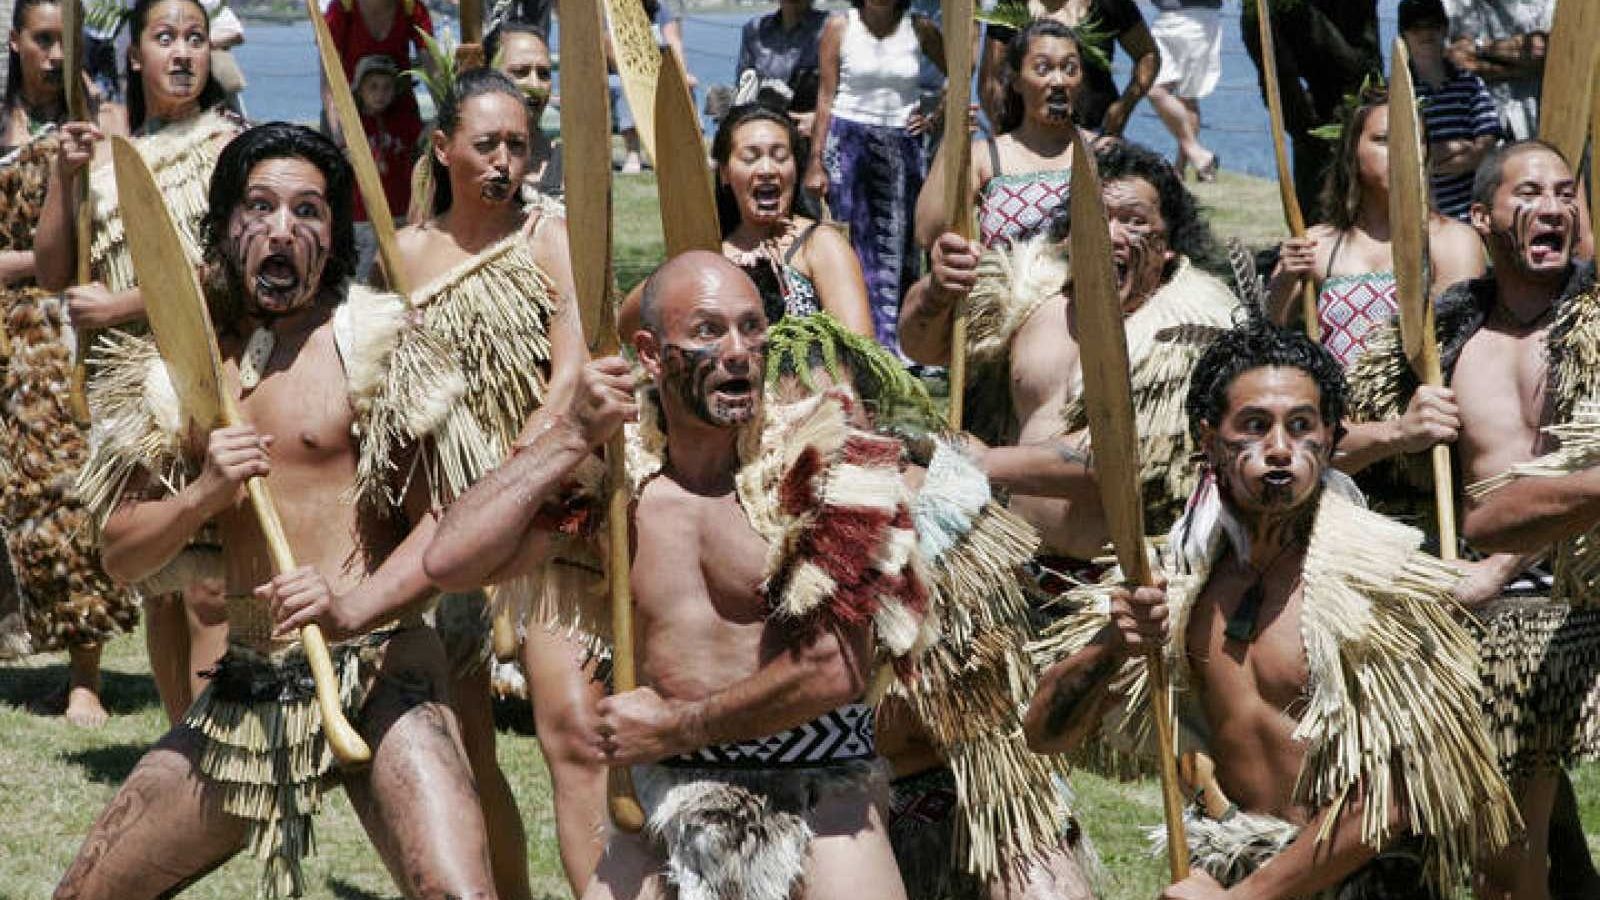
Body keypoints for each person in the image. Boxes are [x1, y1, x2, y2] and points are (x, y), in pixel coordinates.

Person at [57, 122, 500, 900]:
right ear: (225, 227)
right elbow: (120, 554)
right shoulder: (179, 373)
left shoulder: (379, 344)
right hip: (250, 684)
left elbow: (448, 529)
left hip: (383, 670)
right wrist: (202, 496)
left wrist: (352, 606)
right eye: (259, 207)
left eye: (308, 211)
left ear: (333, 237)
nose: (282, 230)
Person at [426, 251, 937, 900]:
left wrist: (676, 727)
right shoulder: (617, 479)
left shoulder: (824, 461)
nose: (738, 351)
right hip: (667, 794)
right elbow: (451, 564)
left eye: (752, 328)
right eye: (707, 331)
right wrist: (568, 437)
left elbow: (836, 669)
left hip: (821, 781)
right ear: (649, 354)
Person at [1024, 318, 1517, 898]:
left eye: (1301, 426)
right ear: (1209, 440)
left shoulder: (1379, 587)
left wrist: (1246, 898)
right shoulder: (1182, 584)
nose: (1279, 450)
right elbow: (1045, 734)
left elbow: (1395, 796)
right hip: (1237, 869)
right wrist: (1114, 642)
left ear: (1332, 438)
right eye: (1254, 426)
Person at [391, 66, 588, 900]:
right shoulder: (403, 254)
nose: (505, 161)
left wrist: (516, 477)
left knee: (566, 736)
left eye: (519, 144)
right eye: (487, 145)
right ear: (443, 149)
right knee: (468, 742)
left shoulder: (550, 236)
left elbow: (573, 371)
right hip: (439, 522)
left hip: (543, 511)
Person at [34, 0, 242, 726]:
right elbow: (57, 269)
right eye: (164, 38)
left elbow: (228, 270)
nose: (182, 53)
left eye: (194, 38)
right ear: (134, 56)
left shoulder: (228, 147)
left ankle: (220, 746)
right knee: (156, 577)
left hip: (202, 374)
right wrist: (66, 179)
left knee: (210, 577)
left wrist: (118, 307)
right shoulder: (108, 156)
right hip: (125, 392)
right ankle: (182, 738)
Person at [901, 141, 1238, 563]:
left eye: (1133, 222)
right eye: (1095, 217)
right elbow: (922, 347)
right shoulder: (1029, 299)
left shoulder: (1189, 334)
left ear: (1168, 243)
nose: (1108, 234)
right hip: (1010, 564)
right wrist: (937, 291)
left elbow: (1120, 455)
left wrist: (979, 462)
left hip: (1115, 588)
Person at [1414, 140, 1600, 899]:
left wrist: (1498, 566)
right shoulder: (1438, 337)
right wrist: (1394, 432)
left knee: (1510, 855)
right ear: (1480, 216)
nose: (1554, 205)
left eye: (1566, 191)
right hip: (1474, 602)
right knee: (1504, 850)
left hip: (1574, 593)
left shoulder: (1597, 327)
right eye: (1529, 192)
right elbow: (1331, 445)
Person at [0, 0, 140, 729]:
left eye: (66, 42)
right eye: (41, 40)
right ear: (16, 42)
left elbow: (79, 253)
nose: (54, 55)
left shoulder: (101, 123)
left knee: (66, 490)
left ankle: (86, 676)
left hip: (57, 332)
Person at [1265, 83, 1484, 367]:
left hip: (1422, 406)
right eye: (1383, 139)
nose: (1401, 150)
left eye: (1413, 139)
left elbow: (1458, 342)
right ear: (1352, 151)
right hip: (1338, 408)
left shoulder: (1453, 240)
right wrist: (1284, 282)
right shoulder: (1317, 244)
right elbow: (1268, 334)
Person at [805, 0, 943, 352]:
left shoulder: (921, 28)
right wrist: (816, 161)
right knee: (854, 242)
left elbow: (959, 74)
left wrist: (933, 115)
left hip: (903, 146)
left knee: (903, 244)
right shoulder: (840, 26)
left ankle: (902, 343)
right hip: (849, 145)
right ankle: (856, 337)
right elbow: (825, 97)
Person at [915, 18, 1087, 252]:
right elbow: (927, 234)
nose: (1058, 81)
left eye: (1070, 69)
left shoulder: (1102, 154)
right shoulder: (985, 156)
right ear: (1016, 81)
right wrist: (951, 142)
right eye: (1043, 69)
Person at [714, 102, 872, 335]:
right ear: (725, 173)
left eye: (780, 157)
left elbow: (860, 351)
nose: (767, 169)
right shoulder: (710, 253)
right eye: (750, 158)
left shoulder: (819, 244)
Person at [1240, 0, 1380, 222]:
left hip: (1353, 104)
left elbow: (1358, 68)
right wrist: (1305, 131)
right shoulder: (1264, 13)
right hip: (1317, 129)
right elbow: (1278, 81)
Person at [977, 0, 1158, 137]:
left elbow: (1148, 55)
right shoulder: (1013, 5)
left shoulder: (1108, 3)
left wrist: (1123, 108)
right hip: (1028, 137)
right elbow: (990, 79)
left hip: (1096, 133)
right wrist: (1003, 131)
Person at [1400, 0, 1500, 223]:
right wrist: (1462, 147)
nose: (1426, 33)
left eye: (1433, 25)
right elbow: (1403, 158)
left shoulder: (1470, 84)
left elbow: (1487, 148)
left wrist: (1431, 160)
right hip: (1424, 220)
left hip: (1477, 214)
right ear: (1404, 35)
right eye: (1417, 27)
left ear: (1445, 29)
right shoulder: (1398, 94)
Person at [321, 0, 432, 184]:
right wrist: (339, 134)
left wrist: (449, 116)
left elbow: (432, 66)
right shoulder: (342, 9)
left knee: (407, 185)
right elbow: (329, 81)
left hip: (401, 118)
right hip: (353, 116)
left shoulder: (411, 7)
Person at [349, 54, 418, 282]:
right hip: (364, 216)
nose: (380, 94)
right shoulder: (352, 124)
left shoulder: (404, 122)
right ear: (360, 90)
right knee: (365, 275)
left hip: (400, 212)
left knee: (401, 273)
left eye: (387, 88)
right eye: (373, 87)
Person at [1441, 0, 1551, 142]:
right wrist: (1519, 67)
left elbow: (1542, 52)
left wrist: (1480, 50)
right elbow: (1451, 63)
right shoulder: (1447, 6)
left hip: (1548, 129)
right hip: (1485, 141)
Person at [1145, 0, 1220, 181]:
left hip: (1197, 18)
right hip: (1167, 18)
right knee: (1157, 89)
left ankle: (1185, 165)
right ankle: (1196, 158)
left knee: (1184, 96)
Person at [489, 20, 561, 200]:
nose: (535, 85)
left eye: (544, 74)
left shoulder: (571, 165)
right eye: (521, 72)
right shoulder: (461, 163)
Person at [734, 0, 828, 134]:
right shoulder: (754, 29)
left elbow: (853, 94)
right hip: (767, 133)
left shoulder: (832, 28)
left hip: (814, 136)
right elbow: (744, 93)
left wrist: (822, 120)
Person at [2, 0, 63, 152]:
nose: (58, 56)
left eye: (68, 41)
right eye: (44, 39)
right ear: (15, 41)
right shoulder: (6, 122)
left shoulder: (105, 121)